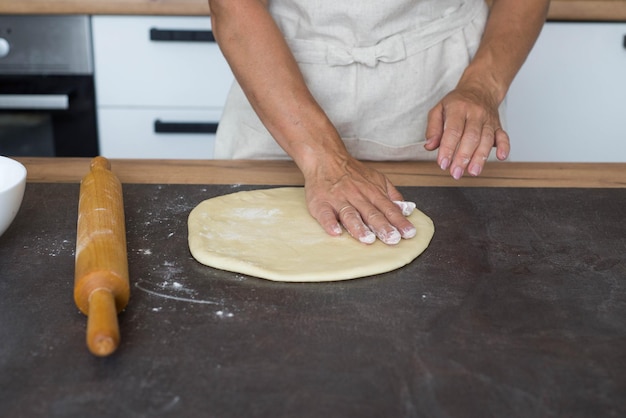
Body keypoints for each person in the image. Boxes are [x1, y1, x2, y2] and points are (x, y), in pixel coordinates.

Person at [208, 0, 550, 245]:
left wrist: (483, 85)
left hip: (442, 93)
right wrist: (325, 160)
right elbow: (234, 7)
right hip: (276, 89)